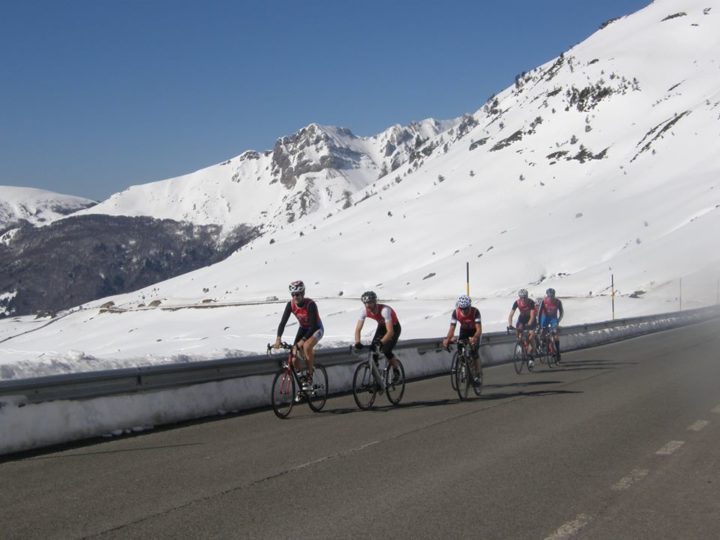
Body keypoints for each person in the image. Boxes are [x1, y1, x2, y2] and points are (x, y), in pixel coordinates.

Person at [273, 280, 323, 391]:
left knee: (306, 346)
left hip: (316, 328)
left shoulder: (310, 304)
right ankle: (302, 380)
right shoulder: (290, 305)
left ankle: (310, 376)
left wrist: (303, 340)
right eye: (293, 294)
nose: (296, 297)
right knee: (294, 355)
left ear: (303, 293)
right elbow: (283, 323)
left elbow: (313, 325)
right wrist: (278, 339)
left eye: (298, 294)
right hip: (303, 328)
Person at [354, 291, 402, 383]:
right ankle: (378, 378)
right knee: (373, 350)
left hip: (394, 328)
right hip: (382, 326)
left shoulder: (385, 310)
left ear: (375, 302)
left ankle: (396, 370)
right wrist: (357, 342)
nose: (368, 306)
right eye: (366, 304)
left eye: (370, 303)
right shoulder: (364, 311)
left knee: (386, 350)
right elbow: (358, 329)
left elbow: (390, 332)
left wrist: (381, 343)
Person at [442, 294, 483, 386]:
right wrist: (447, 339)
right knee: (460, 348)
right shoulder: (455, 313)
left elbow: (479, 329)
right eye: (462, 309)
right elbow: (452, 329)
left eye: (466, 308)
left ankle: (477, 375)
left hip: (474, 331)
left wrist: (475, 338)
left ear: (469, 306)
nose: (464, 311)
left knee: (474, 353)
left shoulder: (475, 312)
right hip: (464, 331)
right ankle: (463, 365)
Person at [507, 288, 538, 368]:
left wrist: (529, 324)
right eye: (521, 297)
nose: (523, 299)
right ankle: (520, 344)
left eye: (524, 297)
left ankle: (531, 357)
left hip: (531, 320)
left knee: (530, 338)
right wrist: (510, 324)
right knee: (518, 330)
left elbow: (532, 316)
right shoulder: (517, 302)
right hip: (522, 319)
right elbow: (511, 315)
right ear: (519, 297)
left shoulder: (531, 302)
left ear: (527, 296)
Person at [538, 287, 564, 362]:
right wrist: (539, 323)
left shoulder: (558, 302)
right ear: (547, 296)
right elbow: (539, 312)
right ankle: (543, 343)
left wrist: (558, 320)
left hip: (553, 319)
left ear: (554, 295)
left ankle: (558, 351)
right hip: (544, 317)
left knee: (555, 333)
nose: (550, 298)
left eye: (552, 296)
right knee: (542, 331)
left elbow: (561, 312)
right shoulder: (544, 301)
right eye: (549, 296)